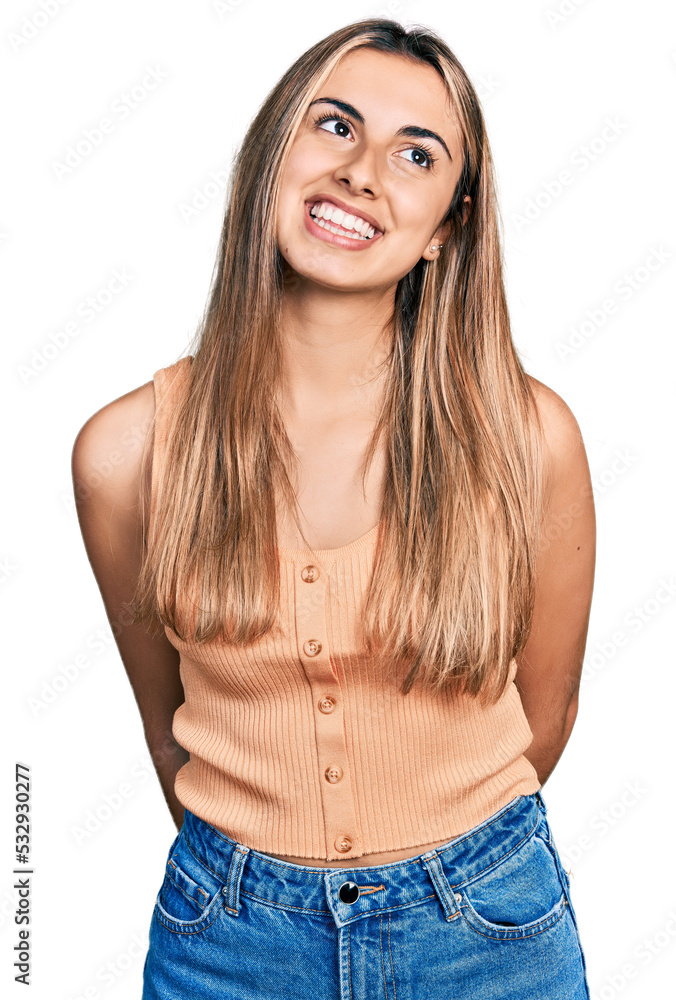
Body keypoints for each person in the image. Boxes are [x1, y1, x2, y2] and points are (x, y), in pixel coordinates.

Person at [71, 17, 595, 999]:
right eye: (335, 126)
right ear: (274, 154)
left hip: (486, 933)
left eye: (415, 153)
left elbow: (550, 707)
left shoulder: (529, 439)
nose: (361, 173)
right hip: (227, 943)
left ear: (447, 224)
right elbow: (166, 725)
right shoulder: (124, 454)